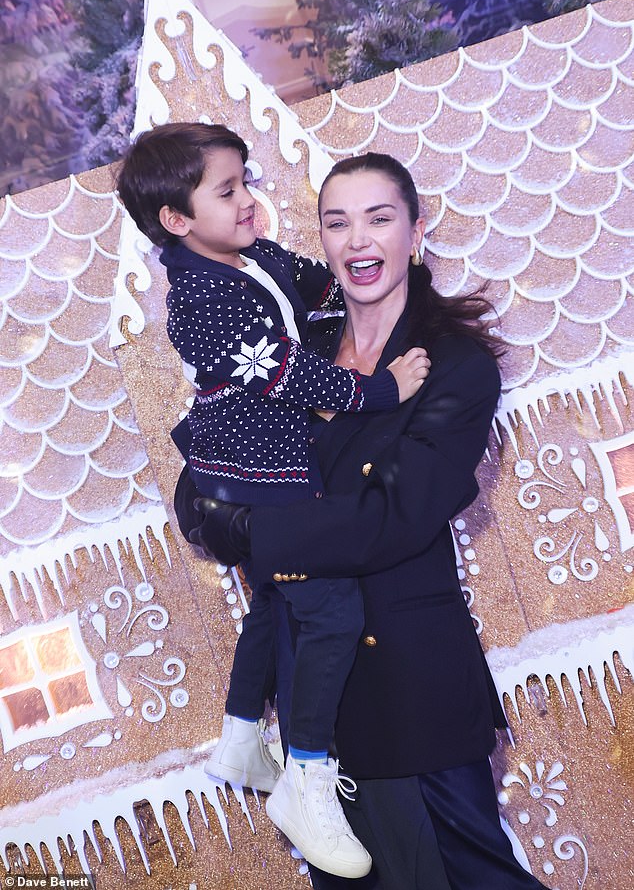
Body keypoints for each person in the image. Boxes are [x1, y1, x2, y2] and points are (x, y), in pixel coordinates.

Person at [184, 152, 551, 890]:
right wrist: (222, 512)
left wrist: (254, 534)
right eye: (337, 222)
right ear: (320, 239)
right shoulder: (292, 356)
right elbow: (201, 484)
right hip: (318, 708)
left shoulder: (455, 365)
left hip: (412, 691)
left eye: (380, 218)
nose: (359, 240)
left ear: (416, 232)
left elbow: (395, 516)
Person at [115, 124, 429, 880]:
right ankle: (307, 777)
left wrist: (355, 286)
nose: (251, 202)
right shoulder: (200, 298)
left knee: (276, 602)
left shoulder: (247, 255)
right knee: (331, 610)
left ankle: (238, 738)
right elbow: (287, 373)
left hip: (262, 464)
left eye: (247, 182)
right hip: (254, 471)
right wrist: (378, 387)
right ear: (177, 222)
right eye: (229, 192)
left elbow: (314, 285)